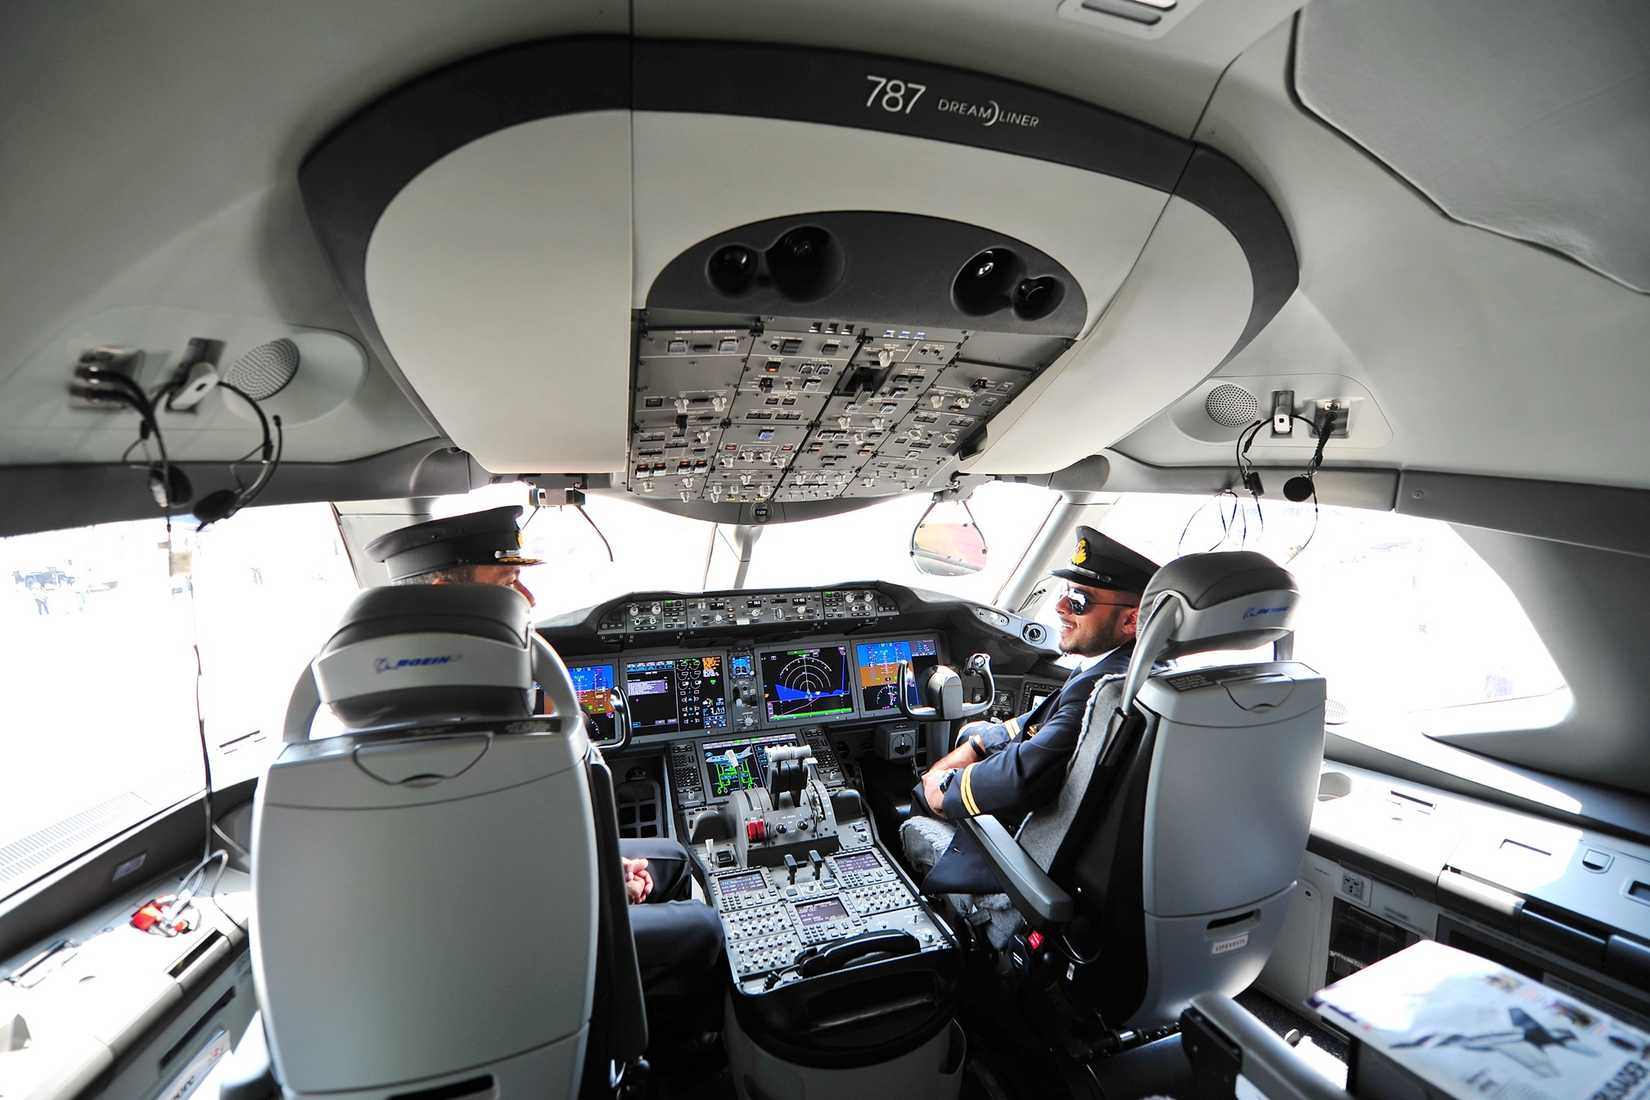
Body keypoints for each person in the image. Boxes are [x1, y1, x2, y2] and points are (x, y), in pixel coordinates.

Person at [364, 505, 724, 1017]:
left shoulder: (409, 687)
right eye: (510, 580)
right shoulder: (454, 712)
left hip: (502, 892)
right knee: (703, 927)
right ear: (447, 595)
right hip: (494, 943)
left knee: (674, 857)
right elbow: (481, 870)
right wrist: (597, 884)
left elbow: (506, 836)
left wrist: (601, 866)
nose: (529, 598)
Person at [900, 526, 1160, 894]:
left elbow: (1024, 777)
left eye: (1081, 601)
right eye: (1067, 593)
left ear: (1131, 620)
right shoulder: (1138, 670)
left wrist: (943, 786)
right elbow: (1039, 722)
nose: (1060, 607)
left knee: (921, 798)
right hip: (1108, 847)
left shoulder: (1103, 690)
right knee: (965, 746)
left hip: (1039, 856)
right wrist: (977, 744)